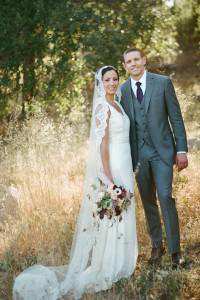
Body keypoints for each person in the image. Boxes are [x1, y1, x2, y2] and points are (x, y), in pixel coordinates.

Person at [13, 66, 138, 300]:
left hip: (125, 164)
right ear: (101, 83)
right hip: (114, 168)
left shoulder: (119, 105)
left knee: (124, 214)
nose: (112, 83)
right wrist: (109, 181)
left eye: (115, 79)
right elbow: (102, 146)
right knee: (113, 218)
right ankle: (108, 267)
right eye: (107, 80)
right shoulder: (103, 107)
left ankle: (122, 264)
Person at [120, 48, 188, 269]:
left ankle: (176, 251)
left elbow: (176, 118)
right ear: (125, 66)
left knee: (166, 197)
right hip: (139, 156)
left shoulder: (163, 83)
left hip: (163, 153)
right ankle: (157, 246)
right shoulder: (122, 91)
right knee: (148, 202)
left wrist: (182, 150)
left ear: (144, 60)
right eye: (128, 62)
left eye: (136, 59)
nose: (133, 64)